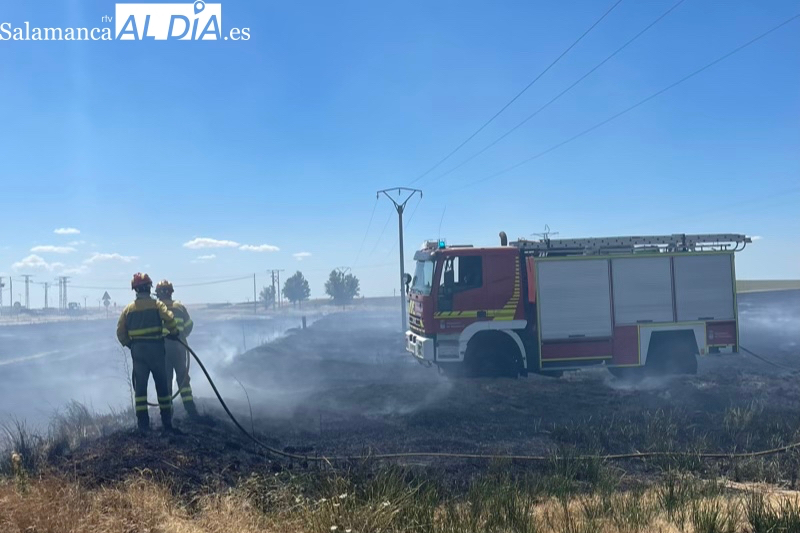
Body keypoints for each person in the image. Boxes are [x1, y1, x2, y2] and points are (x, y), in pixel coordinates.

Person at [117, 273, 180, 433]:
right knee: (162, 386)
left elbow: (120, 332)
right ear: (149, 288)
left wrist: (131, 344)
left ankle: (143, 424)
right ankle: (167, 422)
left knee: (140, 390)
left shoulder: (128, 309)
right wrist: (174, 332)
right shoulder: (157, 305)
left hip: (138, 352)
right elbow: (170, 319)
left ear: (135, 290)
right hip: (156, 350)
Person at [155, 279, 199, 418]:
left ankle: (168, 413)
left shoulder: (156, 309)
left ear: (158, 294)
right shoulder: (179, 307)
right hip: (180, 347)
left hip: (163, 350)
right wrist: (182, 335)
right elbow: (189, 325)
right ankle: (190, 409)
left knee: (166, 380)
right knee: (183, 378)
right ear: (171, 292)